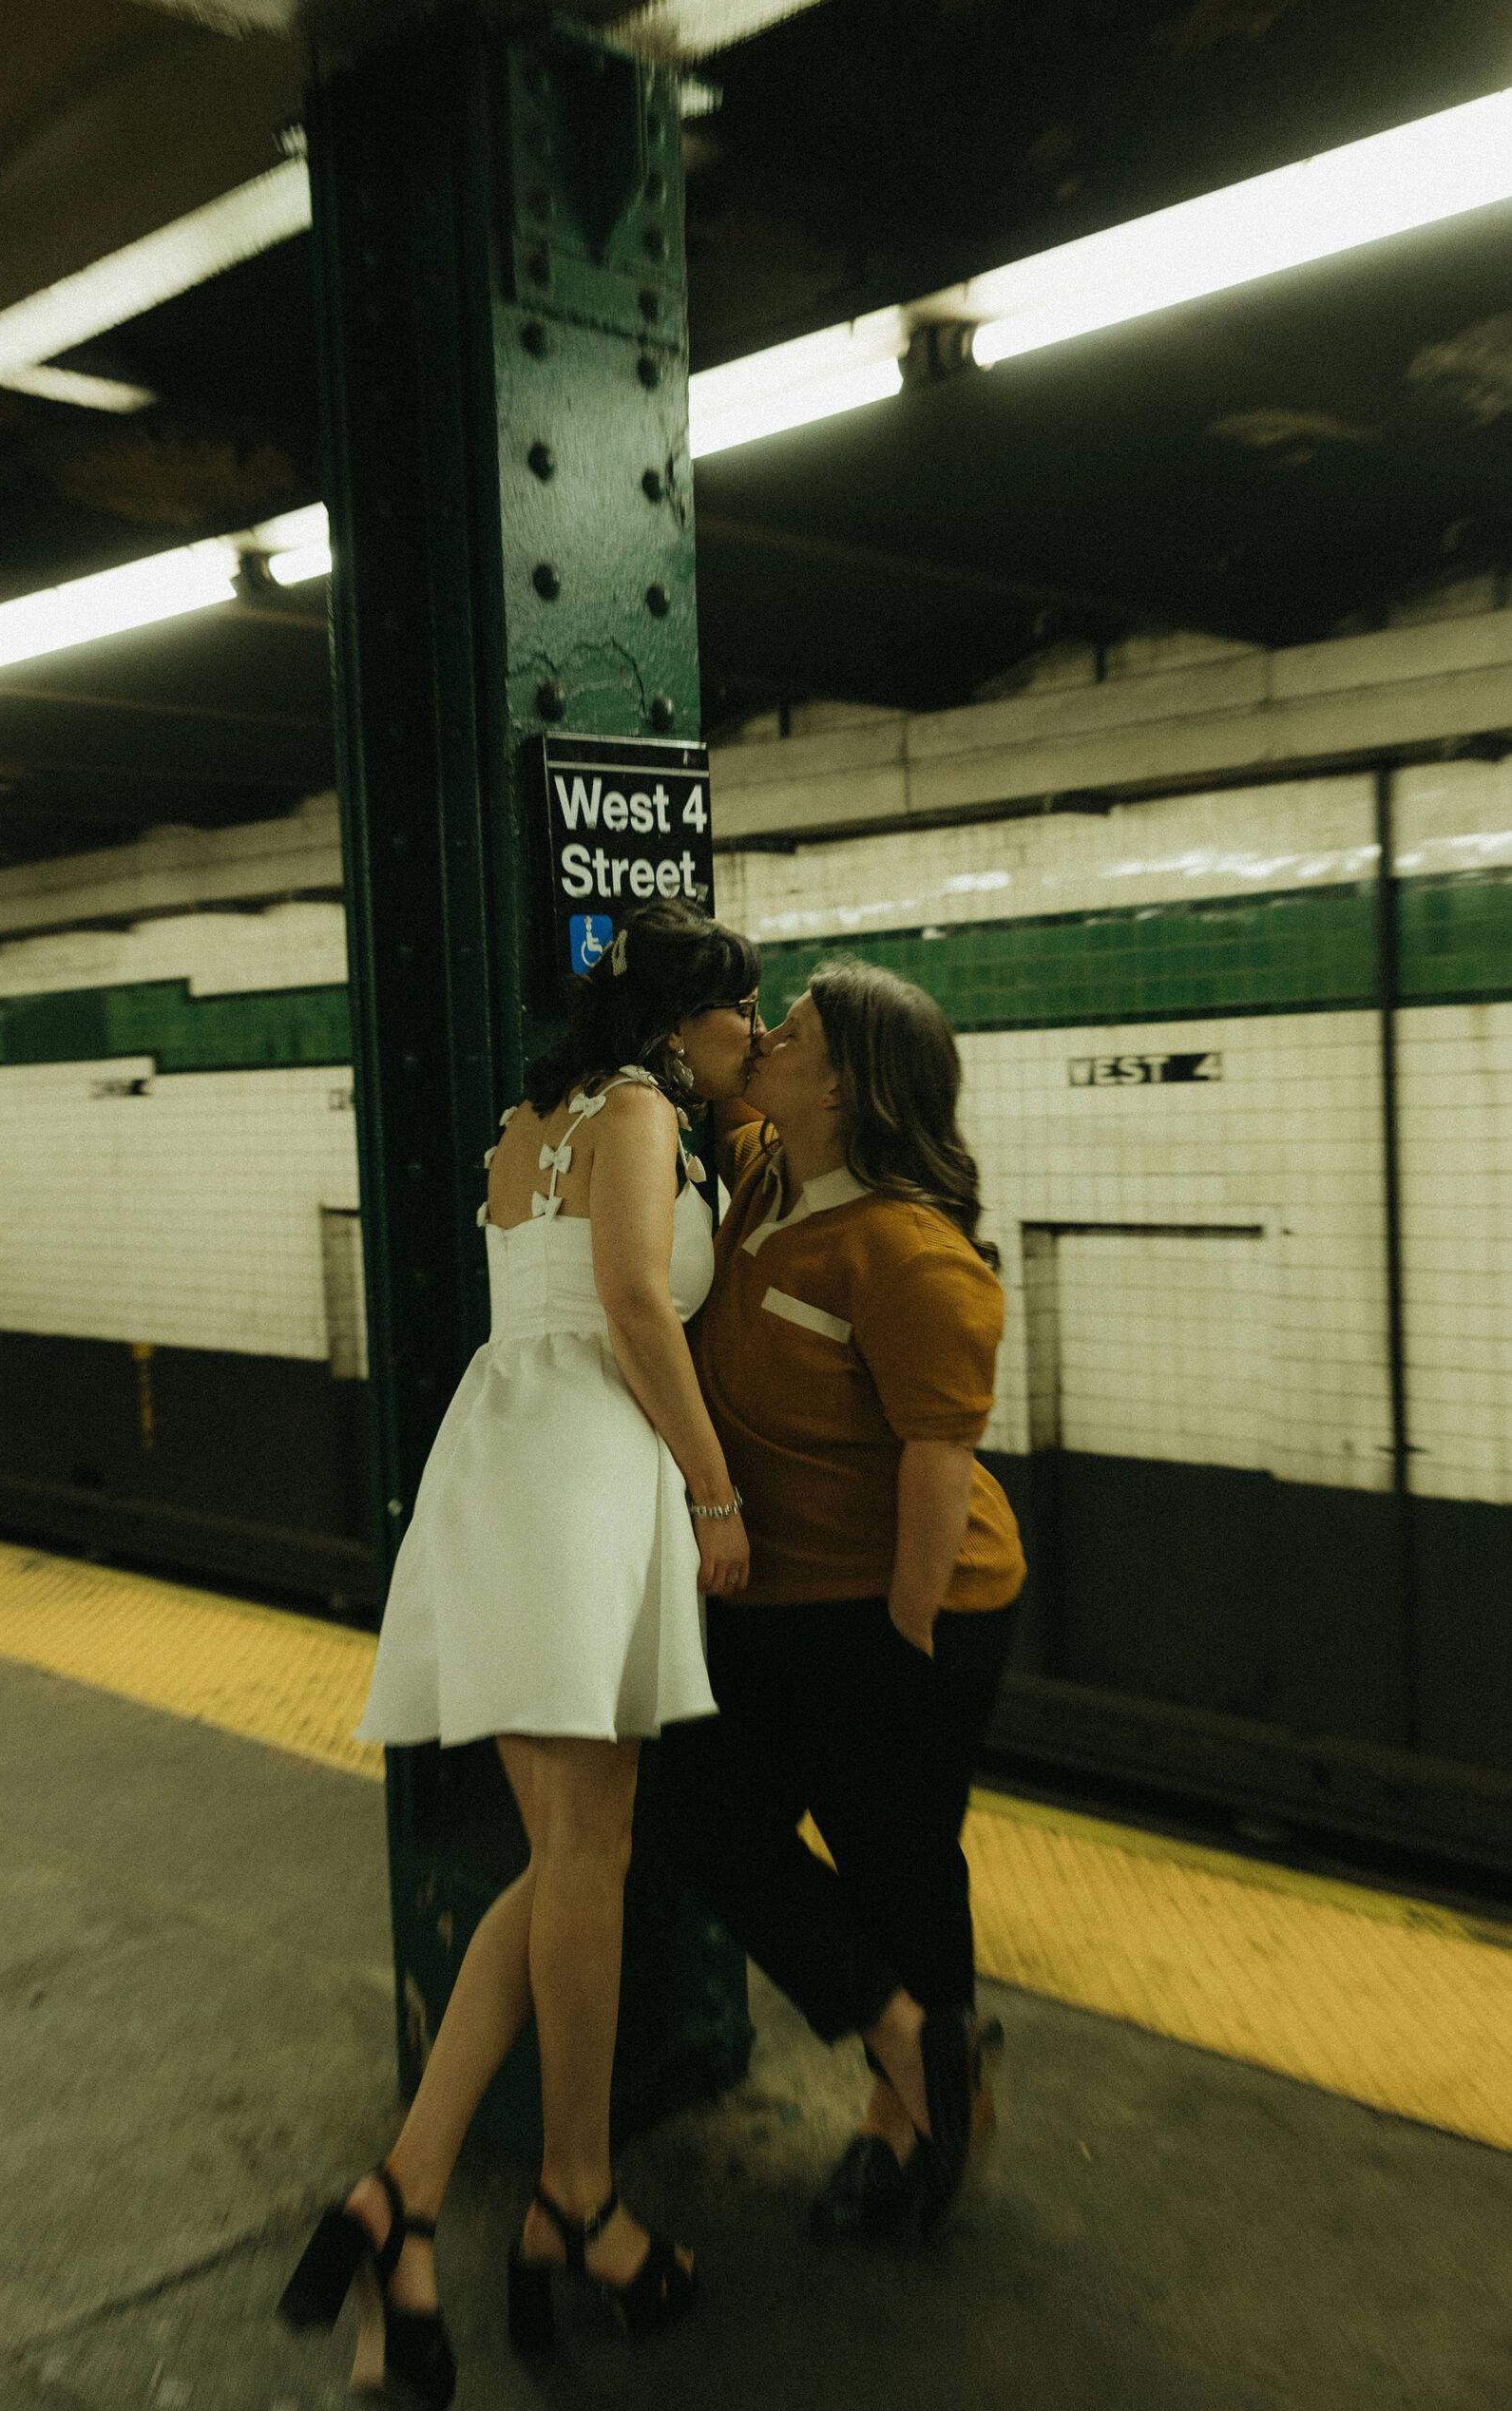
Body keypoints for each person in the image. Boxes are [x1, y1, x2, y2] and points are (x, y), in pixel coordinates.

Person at [278, 900, 760, 2406]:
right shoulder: (631, 1114)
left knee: (561, 1865)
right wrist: (714, 1485)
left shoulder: (524, 1120)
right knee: (589, 1863)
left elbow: (558, 1297)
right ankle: (576, 2201)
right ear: (685, 1026)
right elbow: (628, 1298)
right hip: (577, 1483)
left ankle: (403, 2209)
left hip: (498, 1464)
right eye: (744, 1011)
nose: (756, 1032)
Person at [664, 959, 1024, 2243]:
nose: (768, 1038)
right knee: (708, 1823)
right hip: (775, 1600)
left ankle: (906, 2122)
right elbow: (711, 1072)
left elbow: (940, 1467)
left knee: (898, 1862)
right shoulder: (765, 1172)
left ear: (846, 1085)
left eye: (795, 1032)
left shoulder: (910, 1254)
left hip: (904, 1603)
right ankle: (919, 2044)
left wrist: (907, 1639)